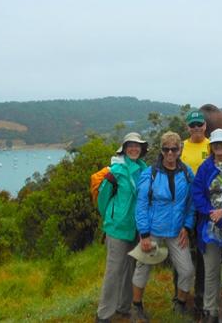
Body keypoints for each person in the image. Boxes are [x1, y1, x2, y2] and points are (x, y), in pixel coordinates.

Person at [131, 132, 195, 322]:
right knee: (142, 268)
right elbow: (141, 204)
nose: (169, 153)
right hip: (153, 231)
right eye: (166, 149)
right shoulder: (150, 174)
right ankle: (136, 307)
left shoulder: (186, 172)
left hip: (177, 231)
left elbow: (191, 203)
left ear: (179, 150)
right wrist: (144, 235)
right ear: (161, 150)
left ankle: (180, 304)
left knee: (187, 270)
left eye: (174, 149)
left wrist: (187, 226)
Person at [95, 132, 149, 323]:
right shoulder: (116, 170)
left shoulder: (144, 170)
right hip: (117, 228)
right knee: (114, 270)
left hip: (136, 228)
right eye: (130, 145)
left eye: (137, 145)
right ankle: (104, 314)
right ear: (124, 149)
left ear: (142, 149)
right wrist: (111, 217)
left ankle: (124, 306)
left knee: (130, 268)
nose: (134, 148)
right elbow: (103, 198)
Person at [192, 128, 222, 323]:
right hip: (209, 228)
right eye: (215, 144)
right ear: (211, 146)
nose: (219, 146)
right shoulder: (205, 168)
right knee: (211, 271)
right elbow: (196, 194)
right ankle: (210, 310)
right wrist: (214, 216)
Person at [180, 109, 210, 316]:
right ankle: (179, 297)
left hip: (205, 209)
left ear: (205, 126)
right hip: (182, 207)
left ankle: (201, 300)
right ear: (187, 127)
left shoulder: (213, 146)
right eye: (193, 125)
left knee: (203, 254)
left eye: (200, 124)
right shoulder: (180, 147)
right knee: (181, 251)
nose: (197, 128)